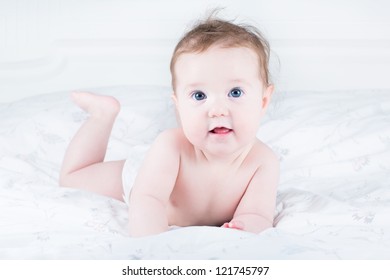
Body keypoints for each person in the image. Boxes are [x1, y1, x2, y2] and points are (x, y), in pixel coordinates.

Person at [59, 15, 279, 237]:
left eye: (235, 92)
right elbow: (147, 200)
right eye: (199, 95)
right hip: (142, 177)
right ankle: (102, 114)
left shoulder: (263, 161)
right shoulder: (171, 146)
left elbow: (257, 215)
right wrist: (151, 245)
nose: (217, 110)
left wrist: (243, 228)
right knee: (72, 178)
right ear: (179, 106)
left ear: (263, 101)